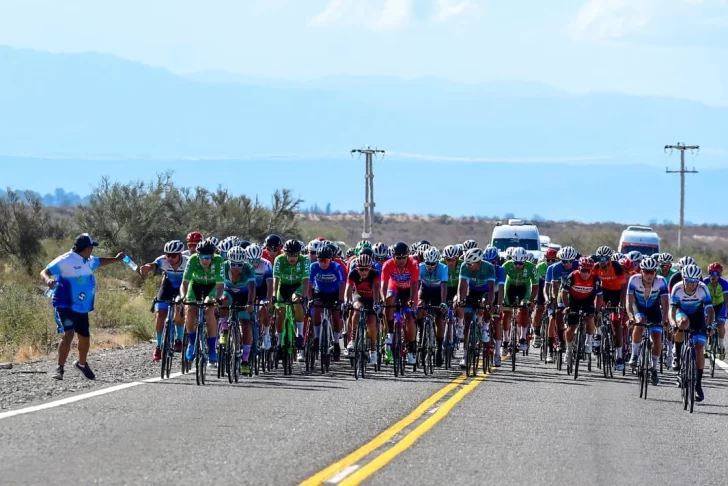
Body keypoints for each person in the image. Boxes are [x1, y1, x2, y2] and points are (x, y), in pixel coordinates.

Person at [41, 233, 126, 380]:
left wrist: (117, 259)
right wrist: (48, 279)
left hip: (82, 307)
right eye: (91, 247)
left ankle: (82, 364)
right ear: (86, 248)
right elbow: (45, 271)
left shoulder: (88, 260)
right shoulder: (66, 259)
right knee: (69, 334)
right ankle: (59, 369)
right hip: (65, 304)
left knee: (85, 337)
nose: (92, 251)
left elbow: (101, 261)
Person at [670, 264, 714, 402]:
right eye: (688, 281)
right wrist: (672, 324)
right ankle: (677, 356)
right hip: (682, 313)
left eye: (694, 281)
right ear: (683, 279)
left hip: (698, 316)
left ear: (698, 280)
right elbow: (672, 310)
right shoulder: (677, 288)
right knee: (682, 324)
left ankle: (698, 385)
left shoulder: (702, 288)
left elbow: (710, 310)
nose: (691, 284)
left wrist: (709, 326)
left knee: (699, 348)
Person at [139, 240, 188, 361]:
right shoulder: (163, 260)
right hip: (167, 286)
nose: (170, 258)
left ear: (180, 254)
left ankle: (179, 340)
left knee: (179, 309)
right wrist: (147, 268)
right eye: (168, 255)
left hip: (182, 286)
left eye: (173, 255)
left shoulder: (188, 262)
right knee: (160, 314)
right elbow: (153, 265)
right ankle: (158, 346)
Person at [180, 239, 225, 365]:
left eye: (208, 257)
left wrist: (217, 298)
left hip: (212, 287)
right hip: (195, 286)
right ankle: (191, 343)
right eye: (203, 257)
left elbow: (220, 284)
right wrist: (183, 297)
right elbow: (185, 282)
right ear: (198, 255)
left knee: (209, 311)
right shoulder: (192, 259)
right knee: (190, 310)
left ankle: (211, 349)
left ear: (213, 256)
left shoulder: (219, 261)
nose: (206, 260)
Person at [626, 257, 669, 385]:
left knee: (657, 337)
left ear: (655, 272)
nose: (649, 274)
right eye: (646, 271)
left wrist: (664, 319)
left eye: (652, 271)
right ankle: (634, 355)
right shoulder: (634, 280)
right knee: (639, 322)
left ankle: (654, 369)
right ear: (641, 271)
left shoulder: (661, 281)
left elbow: (665, 303)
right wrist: (630, 317)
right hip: (638, 307)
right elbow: (629, 301)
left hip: (654, 309)